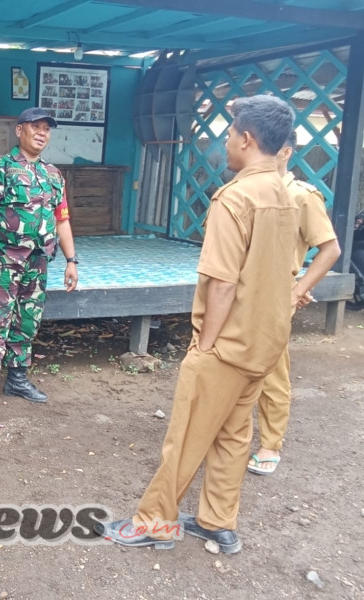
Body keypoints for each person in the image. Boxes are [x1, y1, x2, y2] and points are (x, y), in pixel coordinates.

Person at [98, 95, 297, 553]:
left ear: (246, 139)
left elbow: (222, 282)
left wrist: (204, 347)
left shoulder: (235, 198)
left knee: (185, 436)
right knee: (233, 434)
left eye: (229, 135)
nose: (226, 142)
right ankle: (215, 521)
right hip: (265, 343)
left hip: (226, 345)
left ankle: (154, 523)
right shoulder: (285, 193)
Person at [0, 107, 79, 419]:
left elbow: (62, 220)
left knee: (27, 322)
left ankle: (16, 379)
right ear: (20, 131)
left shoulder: (54, 176)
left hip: (38, 263)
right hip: (3, 260)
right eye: (36, 127)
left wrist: (72, 260)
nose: (42, 133)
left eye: (47, 128)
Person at [247, 132, 340, 475]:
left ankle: (270, 444)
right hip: (240, 292)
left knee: (271, 371)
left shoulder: (302, 196)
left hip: (274, 297)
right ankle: (231, 436)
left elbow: (329, 249)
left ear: (286, 152)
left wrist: (297, 290)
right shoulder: (248, 191)